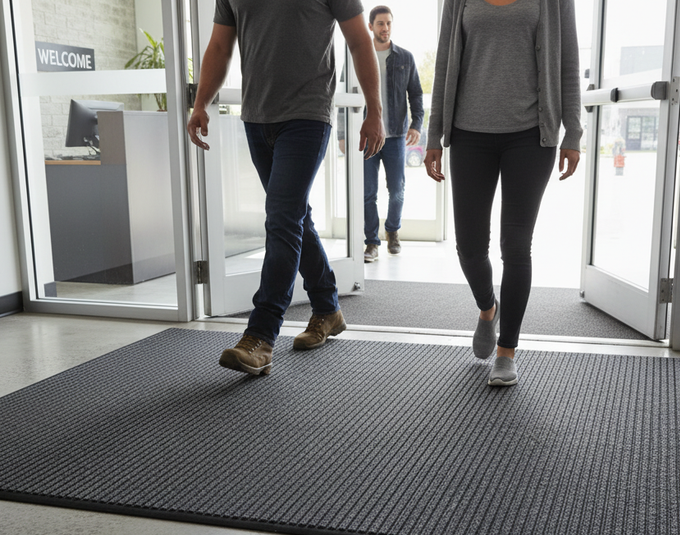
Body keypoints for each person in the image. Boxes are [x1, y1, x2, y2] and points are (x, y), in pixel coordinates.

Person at [187, 0, 385, 376]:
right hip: (256, 117)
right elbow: (220, 46)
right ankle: (327, 308)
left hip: (308, 115)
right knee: (293, 217)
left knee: (282, 218)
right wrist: (201, 103)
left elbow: (360, 41)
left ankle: (260, 336)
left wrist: (374, 110)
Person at [423, 0, 582, 387]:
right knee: (469, 247)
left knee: (516, 245)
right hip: (468, 135)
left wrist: (573, 133)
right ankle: (487, 308)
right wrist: (434, 134)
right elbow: (444, 62)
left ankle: (507, 350)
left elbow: (568, 63)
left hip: (531, 136)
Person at [359, 5, 424, 263]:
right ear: (370, 26)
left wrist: (416, 125)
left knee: (397, 190)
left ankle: (392, 232)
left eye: (388, 23)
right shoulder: (359, 56)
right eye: (380, 23)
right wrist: (343, 133)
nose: (385, 28)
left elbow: (416, 93)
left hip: (396, 135)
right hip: (367, 137)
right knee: (368, 193)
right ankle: (371, 243)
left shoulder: (405, 58)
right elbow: (345, 92)